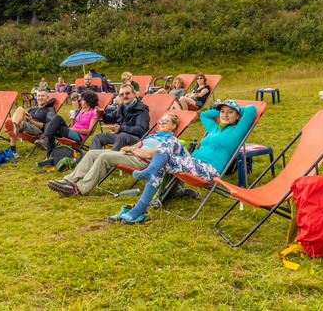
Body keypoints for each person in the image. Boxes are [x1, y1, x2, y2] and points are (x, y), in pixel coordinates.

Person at [116, 99, 256, 224]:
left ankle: (140, 207)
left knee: (162, 163)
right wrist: (221, 110)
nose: (225, 115)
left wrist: (235, 108)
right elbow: (204, 115)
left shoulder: (238, 130)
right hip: (193, 161)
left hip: (209, 169)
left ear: (238, 116)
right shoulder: (214, 128)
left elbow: (252, 109)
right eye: (223, 112)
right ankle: (149, 177)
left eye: (230, 112)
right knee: (171, 140)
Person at [46, 113, 181, 197]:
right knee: (92, 153)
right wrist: (128, 148)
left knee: (105, 157)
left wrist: (133, 150)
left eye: (165, 121)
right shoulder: (153, 135)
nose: (161, 123)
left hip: (141, 161)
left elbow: (150, 155)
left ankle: (79, 188)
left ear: (174, 126)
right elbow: (139, 144)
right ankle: (69, 180)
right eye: (161, 121)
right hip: (132, 154)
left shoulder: (169, 140)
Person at [35, 90, 98, 156]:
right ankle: (49, 149)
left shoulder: (94, 113)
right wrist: (72, 119)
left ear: (88, 101)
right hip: (72, 132)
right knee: (54, 123)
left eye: (82, 100)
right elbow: (73, 126)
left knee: (54, 126)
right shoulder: (82, 112)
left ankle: (47, 144)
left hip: (79, 136)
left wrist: (73, 130)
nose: (80, 102)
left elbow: (90, 131)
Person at [89, 83, 150, 151]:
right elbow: (108, 120)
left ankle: (110, 157)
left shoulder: (141, 109)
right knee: (97, 137)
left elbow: (140, 129)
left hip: (137, 139)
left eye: (127, 93)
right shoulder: (121, 107)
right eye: (122, 94)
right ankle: (93, 157)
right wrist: (101, 113)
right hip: (120, 136)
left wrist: (121, 128)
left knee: (122, 136)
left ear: (134, 94)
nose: (124, 96)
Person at [4, 88, 57, 157]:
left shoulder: (49, 109)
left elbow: (48, 126)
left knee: (19, 120)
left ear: (47, 97)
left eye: (43, 96)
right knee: (20, 110)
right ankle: (13, 149)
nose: (40, 98)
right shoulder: (33, 109)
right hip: (26, 123)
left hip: (38, 130)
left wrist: (31, 121)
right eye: (39, 96)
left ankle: (13, 128)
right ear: (36, 97)